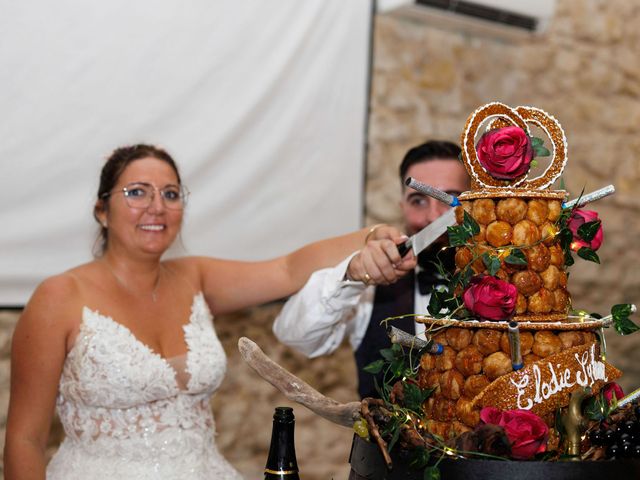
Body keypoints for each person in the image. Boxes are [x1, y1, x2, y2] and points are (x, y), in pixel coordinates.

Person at [3, 144, 415, 479]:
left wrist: (373, 235)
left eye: (170, 194)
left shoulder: (195, 277)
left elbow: (288, 268)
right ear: (101, 209)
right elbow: (25, 440)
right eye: (136, 192)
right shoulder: (59, 297)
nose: (156, 207)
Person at [273, 140, 470, 399]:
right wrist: (351, 276)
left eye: (449, 199)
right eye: (419, 201)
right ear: (402, 208)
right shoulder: (372, 286)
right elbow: (295, 336)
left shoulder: (513, 282)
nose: (433, 217)